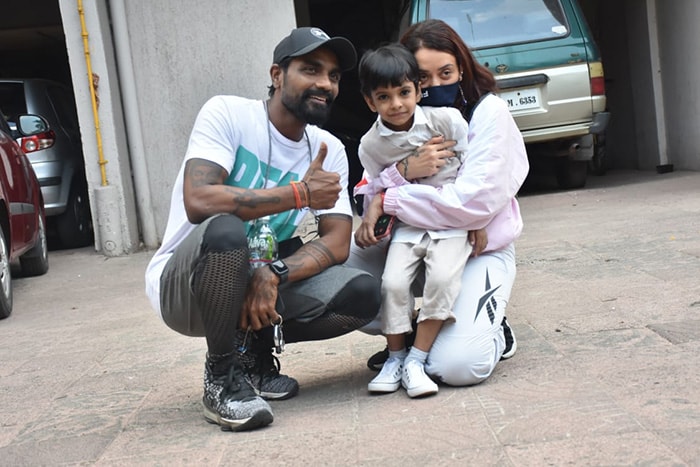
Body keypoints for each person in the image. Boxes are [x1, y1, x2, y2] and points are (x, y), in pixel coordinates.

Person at [144, 27, 381, 432]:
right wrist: (300, 193)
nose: (325, 83)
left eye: (334, 75)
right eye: (311, 69)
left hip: (262, 279)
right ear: (277, 75)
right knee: (225, 229)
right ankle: (221, 378)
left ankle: (254, 353)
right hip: (187, 286)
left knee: (362, 293)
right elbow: (199, 200)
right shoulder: (228, 114)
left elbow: (338, 241)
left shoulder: (328, 148)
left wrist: (275, 273)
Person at [345, 19, 529, 387]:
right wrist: (402, 170)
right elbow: (366, 187)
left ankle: (491, 328)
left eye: (446, 72)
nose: (436, 86)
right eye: (424, 79)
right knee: (342, 283)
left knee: (457, 367)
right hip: (413, 237)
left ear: (461, 67)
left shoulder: (486, 113)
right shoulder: (392, 127)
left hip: (479, 248)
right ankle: (411, 334)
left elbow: (471, 204)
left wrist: (391, 196)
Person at [354, 43, 486, 398]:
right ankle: (395, 358)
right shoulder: (370, 146)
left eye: (404, 92)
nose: (396, 104)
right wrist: (400, 174)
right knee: (393, 285)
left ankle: (417, 359)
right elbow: (375, 187)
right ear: (370, 101)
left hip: (451, 221)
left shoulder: (446, 120)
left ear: (417, 88)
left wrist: (477, 218)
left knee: (442, 281)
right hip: (409, 224)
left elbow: (472, 172)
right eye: (384, 97)